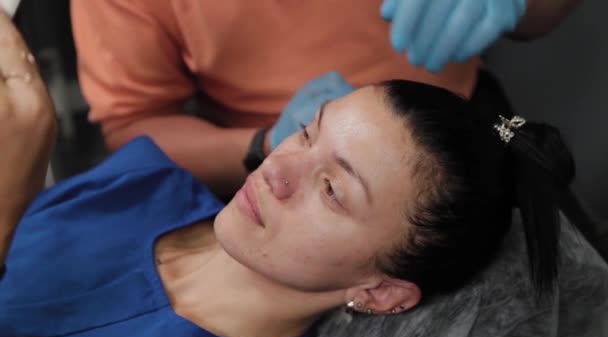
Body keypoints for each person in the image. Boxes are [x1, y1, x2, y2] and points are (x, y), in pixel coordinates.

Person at [0, 11, 593, 337]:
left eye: (332, 192)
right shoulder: (142, 184)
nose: (279, 167)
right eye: (307, 131)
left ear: (379, 292)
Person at [70, 0, 581, 199]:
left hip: (461, 115)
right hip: (266, 161)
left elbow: (550, 12)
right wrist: (268, 143)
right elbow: (133, 124)